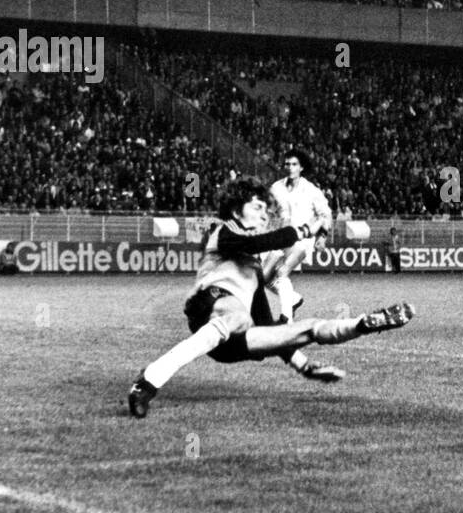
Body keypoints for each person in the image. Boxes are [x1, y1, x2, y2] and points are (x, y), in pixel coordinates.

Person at [128, 177, 414, 417]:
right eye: (258, 207)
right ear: (237, 209)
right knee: (237, 315)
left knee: (308, 327)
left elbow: (267, 327)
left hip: (233, 343)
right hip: (208, 308)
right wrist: (305, 229)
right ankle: (148, 382)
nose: (264, 214)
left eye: (267, 210)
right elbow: (256, 242)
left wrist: (303, 365)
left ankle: (363, 323)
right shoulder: (221, 230)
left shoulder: (253, 268)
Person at [268, 149, 332, 323]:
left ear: (301, 167)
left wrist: (322, 236)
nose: (290, 167)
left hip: (303, 239)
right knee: (264, 277)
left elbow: (325, 213)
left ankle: (286, 319)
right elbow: (268, 211)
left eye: (294, 164)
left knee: (282, 272)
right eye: (287, 164)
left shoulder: (311, 190)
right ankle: (294, 299)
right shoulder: (276, 188)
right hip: (281, 237)